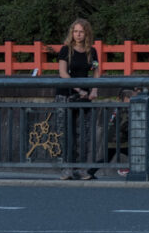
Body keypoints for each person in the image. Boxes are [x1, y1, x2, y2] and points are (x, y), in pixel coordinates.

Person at [39, 18, 102, 180]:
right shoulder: (65, 50)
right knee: (65, 132)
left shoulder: (92, 51)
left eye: (81, 31)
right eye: (75, 31)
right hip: (66, 94)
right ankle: (66, 168)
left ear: (86, 33)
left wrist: (94, 89)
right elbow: (63, 73)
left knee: (84, 133)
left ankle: (81, 169)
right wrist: (78, 89)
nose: (78, 34)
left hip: (84, 96)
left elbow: (95, 71)